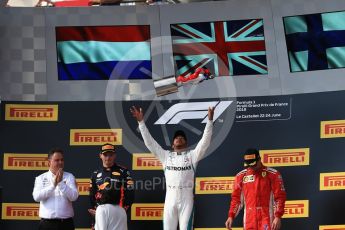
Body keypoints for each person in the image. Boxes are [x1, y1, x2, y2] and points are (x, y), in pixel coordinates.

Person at [130, 105, 214, 230]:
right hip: (170, 198)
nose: (179, 138)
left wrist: (210, 121)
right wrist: (141, 122)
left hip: (187, 198)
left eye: (182, 138)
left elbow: (205, 141)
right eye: (176, 137)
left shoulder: (193, 155)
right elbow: (150, 142)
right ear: (173, 143)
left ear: (186, 143)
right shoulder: (165, 155)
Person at [225, 148, 286, 230]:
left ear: (259, 159)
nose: (251, 167)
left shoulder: (273, 174)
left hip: (267, 219)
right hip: (249, 221)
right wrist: (231, 216)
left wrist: (278, 216)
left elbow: (279, 197)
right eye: (249, 165)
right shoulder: (241, 176)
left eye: (253, 164)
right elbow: (236, 200)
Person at [88, 143, 134, 230]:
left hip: (118, 210)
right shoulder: (95, 174)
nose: (108, 158)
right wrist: (95, 215)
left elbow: (130, 192)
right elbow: (91, 195)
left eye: (110, 155)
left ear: (115, 155)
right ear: (100, 155)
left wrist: (124, 208)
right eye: (105, 155)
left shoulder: (123, 171)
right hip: (101, 211)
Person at [32, 148, 79, 230]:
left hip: (66, 224)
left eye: (62, 160)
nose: (60, 162)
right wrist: (53, 186)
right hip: (47, 225)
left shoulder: (70, 176)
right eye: (57, 160)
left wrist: (61, 184)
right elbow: (36, 197)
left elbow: (74, 197)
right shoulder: (40, 178)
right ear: (49, 162)